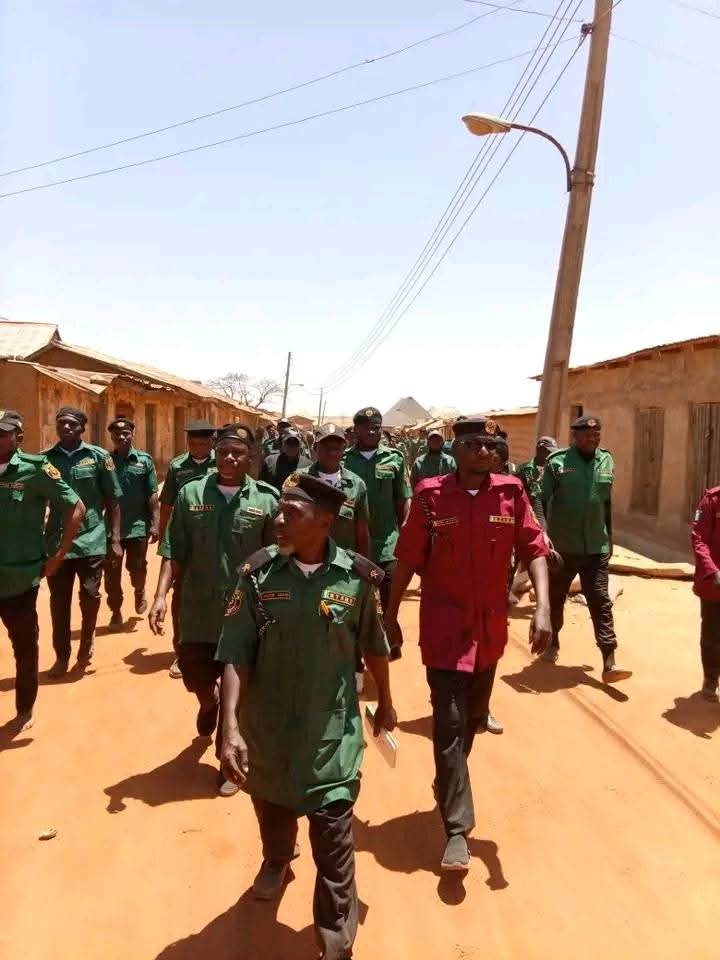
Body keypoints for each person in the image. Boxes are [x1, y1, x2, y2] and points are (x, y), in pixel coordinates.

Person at [217, 473, 395, 959]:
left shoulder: (356, 579)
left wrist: (387, 701)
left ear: (324, 521)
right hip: (268, 729)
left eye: (290, 513)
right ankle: (276, 858)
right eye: (278, 510)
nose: (277, 520)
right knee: (272, 807)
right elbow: (236, 650)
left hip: (331, 734)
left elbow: (374, 644)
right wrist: (228, 724)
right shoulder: (257, 576)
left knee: (334, 842)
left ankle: (336, 943)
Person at [384, 417, 551, 872]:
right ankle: (457, 829)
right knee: (450, 721)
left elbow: (534, 548)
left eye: (490, 445)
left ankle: (448, 782)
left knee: (472, 719)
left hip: (490, 631)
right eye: (473, 444)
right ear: (455, 450)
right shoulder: (430, 496)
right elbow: (406, 558)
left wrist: (542, 608)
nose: (483, 452)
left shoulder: (511, 493)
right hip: (443, 629)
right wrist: (389, 614)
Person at [149, 424, 278, 795]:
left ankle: (229, 760)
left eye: (238, 452)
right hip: (196, 610)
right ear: (216, 453)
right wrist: (159, 596)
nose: (230, 458)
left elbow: (275, 560)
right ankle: (209, 700)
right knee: (195, 675)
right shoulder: (191, 494)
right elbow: (174, 550)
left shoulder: (266, 501)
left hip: (244, 614)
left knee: (240, 689)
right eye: (223, 452)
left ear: (249, 456)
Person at [0, 410, 85, 731]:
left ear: (17, 437)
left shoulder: (36, 470)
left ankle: (24, 709)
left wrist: (60, 554)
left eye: (3, 433)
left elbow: (76, 506)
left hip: (21, 578)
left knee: (23, 647)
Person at [540, 415, 631, 683]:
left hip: (596, 546)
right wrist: (543, 534)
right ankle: (553, 640)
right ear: (575, 436)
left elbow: (605, 504)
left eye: (597, 434)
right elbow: (540, 498)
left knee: (600, 600)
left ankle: (609, 659)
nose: (594, 439)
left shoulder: (607, 460)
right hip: (563, 547)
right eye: (588, 435)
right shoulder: (557, 463)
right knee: (556, 598)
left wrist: (609, 538)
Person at [44, 407, 123, 678]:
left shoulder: (98, 458)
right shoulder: (44, 460)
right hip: (57, 543)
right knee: (59, 602)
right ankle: (61, 656)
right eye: (61, 424)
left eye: (71, 424)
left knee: (89, 597)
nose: (65, 428)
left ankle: (85, 648)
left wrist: (115, 538)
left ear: (82, 428)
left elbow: (113, 501)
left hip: (92, 539)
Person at [343, 407, 411, 656]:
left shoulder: (394, 457)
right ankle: (357, 645)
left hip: (387, 541)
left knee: (388, 592)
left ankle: (388, 632)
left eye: (377, 426)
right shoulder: (344, 460)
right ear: (356, 430)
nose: (373, 430)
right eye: (367, 426)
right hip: (352, 543)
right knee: (356, 596)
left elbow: (404, 497)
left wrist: (405, 527)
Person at [159, 420, 216, 679]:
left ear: (212, 443)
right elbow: (167, 504)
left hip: (217, 541)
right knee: (180, 598)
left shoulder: (223, 462)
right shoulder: (178, 467)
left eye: (203, 443)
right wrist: (163, 535)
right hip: (185, 539)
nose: (198, 448)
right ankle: (181, 652)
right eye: (193, 443)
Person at [104, 418, 160, 631]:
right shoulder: (106, 461)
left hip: (138, 525)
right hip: (111, 528)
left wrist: (155, 524)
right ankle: (115, 611)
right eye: (117, 434)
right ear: (111, 437)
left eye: (125, 433)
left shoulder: (144, 461)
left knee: (137, 568)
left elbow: (152, 495)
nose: (121, 437)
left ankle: (139, 590)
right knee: (111, 573)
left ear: (132, 434)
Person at [299, 424, 370, 557]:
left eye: (336, 448)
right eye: (326, 447)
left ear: (344, 450)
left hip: (341, 566)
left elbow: (362, 533)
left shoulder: (357, 485)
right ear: (315, 448)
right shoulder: (299, 479)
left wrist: (363, 568)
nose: (332, 452)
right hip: (304, 561)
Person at [691, 486, 720, 702]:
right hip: (714, 582)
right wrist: (712, 570)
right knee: (712, 633)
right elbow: (698, 538)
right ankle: (710, 678)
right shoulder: (711, 500)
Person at [515, 436, 558, 525]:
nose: (552, 456)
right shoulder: (524, 470)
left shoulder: (555, 470)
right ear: (540, 450)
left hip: (552, 518)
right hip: (529, 517)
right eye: (549, 452)